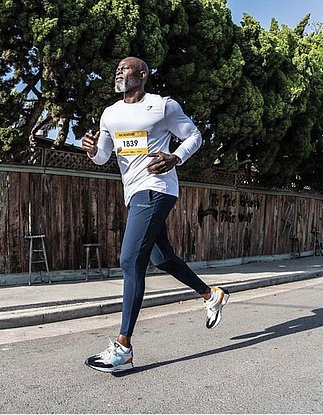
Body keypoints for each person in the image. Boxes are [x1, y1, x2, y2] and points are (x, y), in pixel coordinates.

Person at [82, 57, 230, 373]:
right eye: (117, 68)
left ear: (143, 75)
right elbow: (105, 156)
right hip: (134, 191)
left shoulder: (162, 107)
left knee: (129, 259)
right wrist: (93, 150)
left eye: (126, 67)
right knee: (162, 259)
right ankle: (210, 294)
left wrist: (175, 156)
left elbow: (195, 136)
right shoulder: (110, 114)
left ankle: (123, 347)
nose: (119, 71)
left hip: (157, 187)